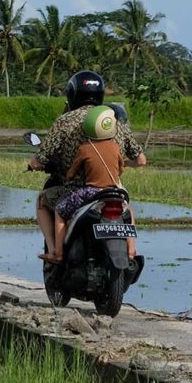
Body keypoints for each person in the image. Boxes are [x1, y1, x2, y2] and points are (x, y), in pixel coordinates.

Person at [27, 71, 145, 260]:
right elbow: (140, 160)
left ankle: (55, 251)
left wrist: (35, 165)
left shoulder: (66, 122)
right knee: (127, 208)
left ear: (72, 94)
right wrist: (121, 165)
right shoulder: (112, 122)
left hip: (80, 191)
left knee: (44, 202)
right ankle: (132, 251)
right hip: (113, 188)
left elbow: (43, 160)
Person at [45, 106, 127, 261]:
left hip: (91, 192)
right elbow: (121, 169)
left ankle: (59, 254)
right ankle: (131, 251)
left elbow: (72, 172)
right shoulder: (116, 147)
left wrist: (68, 176)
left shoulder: (84, 148)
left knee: (60, 211)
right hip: (113, 192)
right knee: (127, 214)